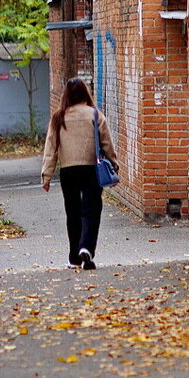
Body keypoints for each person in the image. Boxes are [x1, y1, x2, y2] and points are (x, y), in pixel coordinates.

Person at [41, 77, 118, 270]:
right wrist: (113, 165)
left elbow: (51, 148)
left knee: (73, 213)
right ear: (85, 92)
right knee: (91, 211)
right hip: (91, 169)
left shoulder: (58, 117)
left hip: (68, 171)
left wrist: (46, 175)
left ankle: (74, 258)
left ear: (66, 95)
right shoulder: (94, 114)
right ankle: (87, 247)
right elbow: (106, 142)